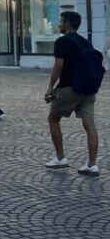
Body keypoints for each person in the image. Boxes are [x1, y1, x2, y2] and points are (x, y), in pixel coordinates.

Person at [44, 11, 100, 175]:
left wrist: (50, 88)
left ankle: (61, 159)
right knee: (89, 124)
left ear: (67, 23)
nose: (59, 24)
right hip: (89, 89)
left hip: (69, 88)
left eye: (60, 21)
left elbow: (58, 66)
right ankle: (92, 165)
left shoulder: (62, 41)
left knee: (53, 119)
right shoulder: (85, 42)